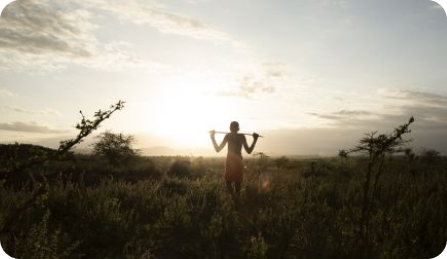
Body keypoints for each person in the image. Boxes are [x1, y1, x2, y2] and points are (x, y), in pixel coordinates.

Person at [209, 121, 259, 202]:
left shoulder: (228, 136)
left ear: (230, 128)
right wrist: (255, 139)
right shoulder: (241, 136)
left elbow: (217, 149)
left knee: (229, 181)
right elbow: (249, 151)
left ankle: (233, 199)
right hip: (238, 160)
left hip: (230, 160)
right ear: (238, 128)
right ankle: (235, 200)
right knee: (237, 182)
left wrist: (212, 137)